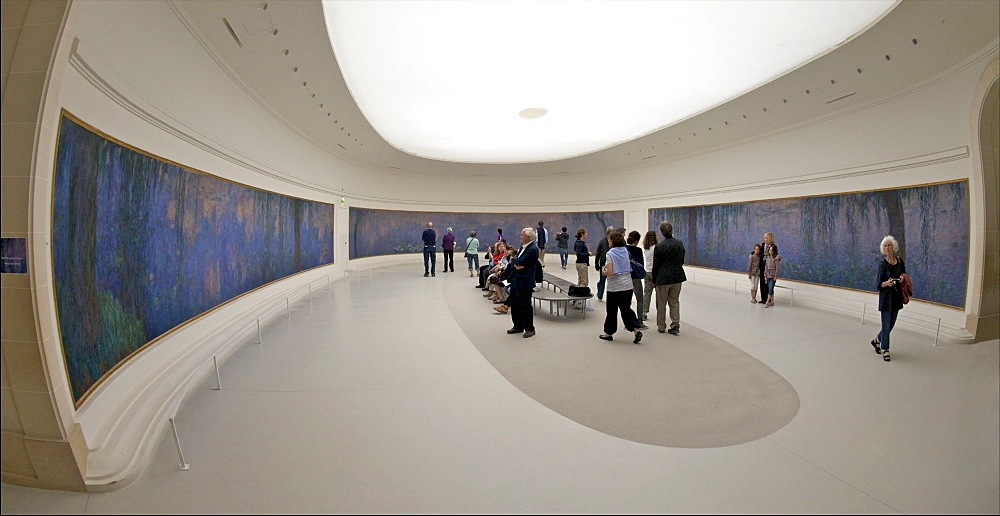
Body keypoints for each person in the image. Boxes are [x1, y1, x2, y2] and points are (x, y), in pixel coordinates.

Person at [599, 230, 643, 344]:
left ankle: (609, 333)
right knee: (626, 309)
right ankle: (636, 329)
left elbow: (610, 272)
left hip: (614, 287)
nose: (608, 241)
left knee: (612, 311)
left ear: (612, 241)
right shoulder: (625, 251)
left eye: (609, 239)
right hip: (627, 285)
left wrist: (603, 270)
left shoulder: (610, 253)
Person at [872, 235, 906, 362]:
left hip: (896, 297)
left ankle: (876, 340)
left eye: (889, 245)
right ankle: (885, 349)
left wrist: (902, 279)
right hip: (886, 298)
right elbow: (878, 284)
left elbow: (904, 275)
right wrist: (887, 283)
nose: (887, 247)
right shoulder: (882, 264)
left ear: (893, 247)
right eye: (885, 245)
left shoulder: (900, 262)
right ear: (883, 248)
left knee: (891, 325)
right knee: (886, 325)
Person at [651, 221, 686, 335]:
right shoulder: (679, 243)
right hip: (677, 277)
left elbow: (655, 265)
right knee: (674, 302)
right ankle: (675, 324)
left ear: (662, 232)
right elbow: (682, 260)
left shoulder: (659, 247)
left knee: (661, 304)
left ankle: (661, 326)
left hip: (663, 278)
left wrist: (654, 280)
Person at [506, 227, 539, 338]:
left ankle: (529, 328)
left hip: (525, 281)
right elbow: (516, 261)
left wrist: (515, 261)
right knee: (515, 304)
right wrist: (515, 262)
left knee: (525, 305)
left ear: (528, 237)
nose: (520, 236)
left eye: (522, 235)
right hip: (516, 279)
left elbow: (520, 261)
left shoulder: (533, 249)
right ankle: (518, 326)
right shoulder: (522, 247)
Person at [626, 230, 647, 330]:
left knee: (627, 300)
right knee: (640, 299)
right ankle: (639, 321)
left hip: (626, 277)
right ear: (637, 240)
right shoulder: (638, 251)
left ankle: (628, 322)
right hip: (636, 278)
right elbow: (641, 265)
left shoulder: (624, 249)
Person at [594, 226, 614, 301]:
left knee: (611, 281)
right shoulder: (602, 241)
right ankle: (600, 295)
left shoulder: (614, 242)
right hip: (603, 264)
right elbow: (598, 253)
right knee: (602, 280)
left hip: (612, 264)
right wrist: (596, 263)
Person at [641, 230, 657, 322]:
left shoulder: (645, 248)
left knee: (647, 293)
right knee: (659, 294)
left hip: (647, 272)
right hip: (655, 272)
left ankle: (644, 312)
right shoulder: (656, 248)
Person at [758, 232, 776, 303]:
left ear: (770, 238)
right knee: (762, 282)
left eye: (766, 238)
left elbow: (775, 255)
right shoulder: (763, 245)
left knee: (768, 284)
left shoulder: (773, 246)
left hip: (769, 267)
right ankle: (763, 299)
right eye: (764, 238)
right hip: (762, 266)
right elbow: (758, 252)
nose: (764, 239)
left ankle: (769, 300)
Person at [763, 244, 780, 308]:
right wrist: (765, 275)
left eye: (772, 250)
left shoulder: (776, 258)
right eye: (770, 250)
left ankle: (768, 301)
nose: (770, 251)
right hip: (768, 275)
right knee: (770, 289)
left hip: (773, 276)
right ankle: (772, 301)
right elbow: (766, 267)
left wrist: (776, 276)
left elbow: (777, 268)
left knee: (770, 288)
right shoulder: (768, 258)